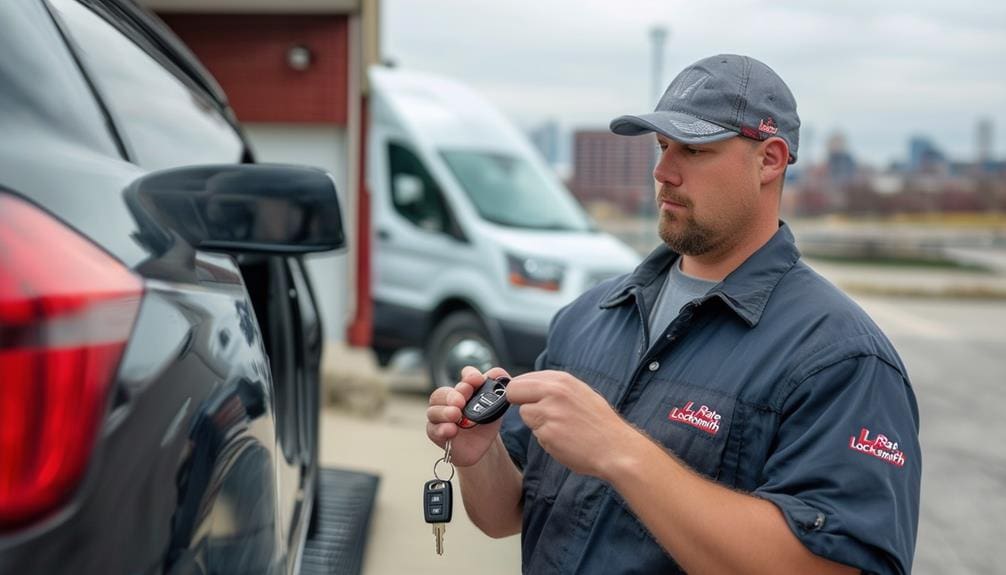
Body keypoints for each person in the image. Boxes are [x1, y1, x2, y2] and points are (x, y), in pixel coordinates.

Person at [426, 54, 921, 574]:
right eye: (662, 147)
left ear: (770, 159)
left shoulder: (842, 360)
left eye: (694, 149)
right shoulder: (587, 317)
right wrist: (480, 455)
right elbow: (505, 515)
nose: (663, 171)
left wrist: (620, 450)